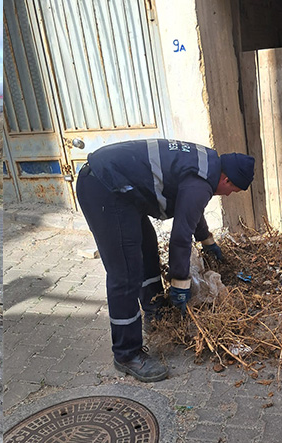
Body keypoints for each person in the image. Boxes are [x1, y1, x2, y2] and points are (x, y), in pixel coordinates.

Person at [76, 139, 254, 381]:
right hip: (105, 187)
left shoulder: (208, 164)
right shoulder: (203, 182)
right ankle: (127, 354)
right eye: (233, 191)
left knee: (147, 248)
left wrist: (207, 240)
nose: (230, 195)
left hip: (124, 189)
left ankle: (154, 313)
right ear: (227, 180)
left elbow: (191, 210)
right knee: (125, 272)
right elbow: (180, 236)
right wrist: (180, 281)